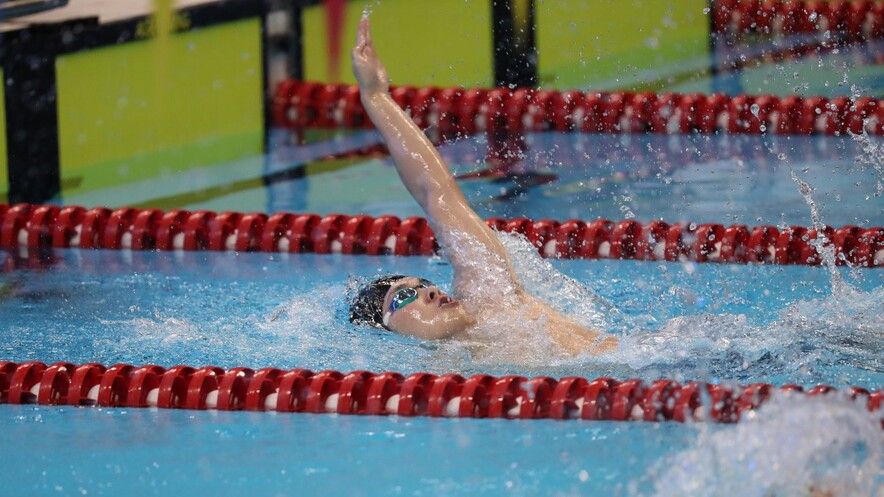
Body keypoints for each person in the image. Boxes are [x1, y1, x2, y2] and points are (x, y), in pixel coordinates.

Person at [348, 16, 618, 357]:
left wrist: (376, 96)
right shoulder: (446, 378)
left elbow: (435, 191)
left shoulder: (488, 300)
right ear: (388, 337)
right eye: (403, 298)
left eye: (423, 286)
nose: (429, 292)